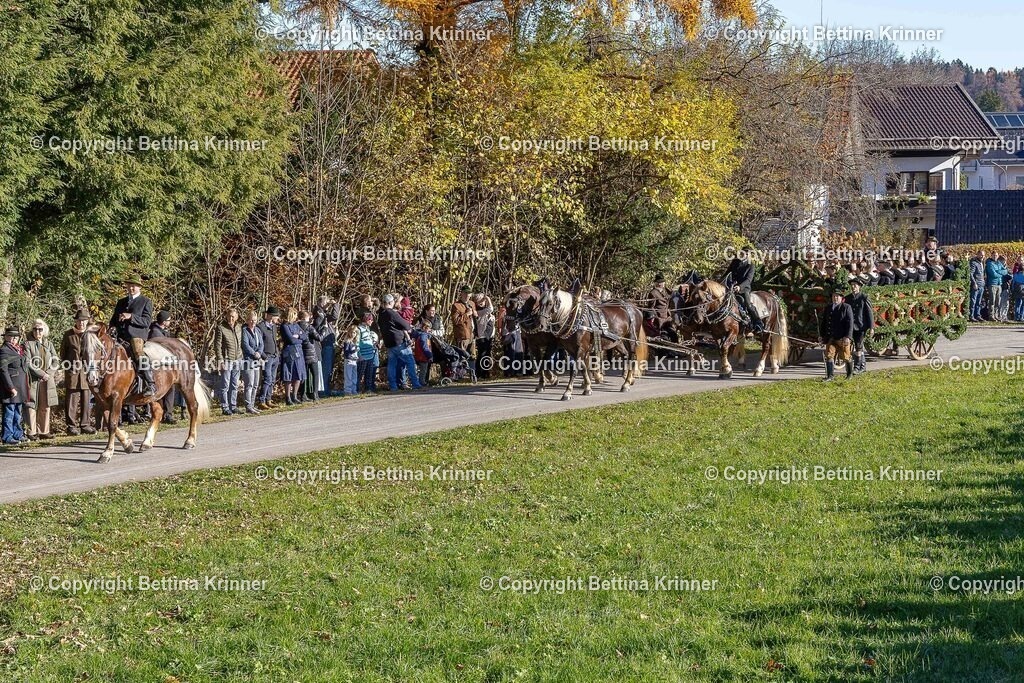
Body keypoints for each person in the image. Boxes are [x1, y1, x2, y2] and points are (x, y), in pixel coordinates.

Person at [109, 276, 155, 396]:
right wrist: (112, 327)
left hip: (136, 335)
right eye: (129, 285)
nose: (131, 288)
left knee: (138, 352)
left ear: (139, 287)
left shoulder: (145, 301)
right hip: (120, 335)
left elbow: (147, 322)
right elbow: (113, 320)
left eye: (133, 285)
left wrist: (131, 317)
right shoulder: (121, 302)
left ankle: (150, 384)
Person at [60, 309, 96, 436]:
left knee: (87, 399)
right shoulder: (68, 334)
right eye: (79, 320)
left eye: (84, 321)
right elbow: (62, 355)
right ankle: (71, 426)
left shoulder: (91, 334)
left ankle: (85, 425)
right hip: (73, 372)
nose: (81, 323)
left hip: (86, 372)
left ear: (87, 322)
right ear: (76, 321)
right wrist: (69, 367)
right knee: (72, 400)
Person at [23, 319, 60, 440]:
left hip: (47, 379)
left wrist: (48, 373)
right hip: (32, 379)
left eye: (40, 329)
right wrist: (41, 374)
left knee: (45, 404)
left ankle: (44, 431)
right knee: (31, 405)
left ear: (44, 330)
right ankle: (31, 432)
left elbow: (56, 360)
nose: (37, 331)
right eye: (35, 329)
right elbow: (28, 362)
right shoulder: (27, 344)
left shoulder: (48, 343)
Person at [378, 294, 422, 392]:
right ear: (390, 303)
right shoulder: (392, 313)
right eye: (393, 301)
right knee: (410, 361)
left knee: (392, 364)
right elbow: (404, 324)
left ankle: (393, 386)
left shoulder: (381, 315)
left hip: (389, 343)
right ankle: (415, 383)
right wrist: (410, 330)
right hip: (399, 342)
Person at [1, 326, 31, 445]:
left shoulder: (18, 349)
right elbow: (3, 370)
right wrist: (10, 387)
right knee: (10, 412)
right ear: (6, 337)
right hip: (11, 386)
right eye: (12, 336)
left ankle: (17, 434)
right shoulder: (4, 350)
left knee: (18, 412)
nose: (14, 338)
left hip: (20, 385)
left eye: (16, 337)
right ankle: (7, 436)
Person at [819, 290, 854, 382]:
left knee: (846, 356)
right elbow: (824, 323)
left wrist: (848, 337)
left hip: (843, 338)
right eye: (834, 296)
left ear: (842, 298)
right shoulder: (829, 308)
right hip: (831, 337)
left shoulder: (846, 307)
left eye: (837, 296)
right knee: (829, 355)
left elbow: (850, 323)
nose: (835, 298)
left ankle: (849, 375)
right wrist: (822, 335)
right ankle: (830, 376)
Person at [148, 310, 177, 424]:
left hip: (162, 364)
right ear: (164, 322)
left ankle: (167, 413)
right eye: (169, 320)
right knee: (168, 389)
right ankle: (166, 414)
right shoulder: (156, 333)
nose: (170, 322)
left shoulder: (160, 331)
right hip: (159, 365)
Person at [213, 309, 244, 415]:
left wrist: (241, 356)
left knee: (234, 384)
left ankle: (233, 405)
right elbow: (217, 346)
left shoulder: (239, 327)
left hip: (238, 359)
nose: (231, 318)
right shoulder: (221, 328)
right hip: (227, 360)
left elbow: (241, 343)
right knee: (225, 385)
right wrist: (220, 360)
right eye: (229, 316)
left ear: (237, 317)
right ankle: (225, 407)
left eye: (233, 316)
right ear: (226, 316)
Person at [723, 253, 763, 332]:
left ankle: (758, 322)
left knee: (748, 304)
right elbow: (727, 273)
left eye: (747, 253)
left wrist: (740, 287)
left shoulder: (751, 265)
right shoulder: (735, 262)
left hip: (744, 288)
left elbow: (748, 280)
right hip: (731, 287)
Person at [313, 295, 340, 397]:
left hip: (329, 343)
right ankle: (323, 391)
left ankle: (326, 390)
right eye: (327, 302)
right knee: (326, 369)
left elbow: (334, 316)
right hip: (325, 344)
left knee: (328, 369)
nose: (328, 304)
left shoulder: (322, 314)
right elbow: (332, 317)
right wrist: (333, 305)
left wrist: (335, 305)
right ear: (322, 303)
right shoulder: (318, 313)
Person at [845, 281, 874, 375]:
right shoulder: (847, 298)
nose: (853, 287)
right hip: (850, 326)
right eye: (852, 285)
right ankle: (863, 366)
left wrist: (871, 327)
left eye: (855, 285)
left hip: (861, 326)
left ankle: (857, 367)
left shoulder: (864, 298)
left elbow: (869, 313)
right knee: (857, 347)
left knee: (858, 346)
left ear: (859, 287)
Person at [279, 307, 307, 405]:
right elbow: (290, 340)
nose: (296, 317)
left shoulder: (296, 325)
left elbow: (304, 336)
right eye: (294, 315)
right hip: (289, 352)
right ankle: (288, 397)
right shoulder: (284, 326)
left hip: (298, 351)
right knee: (289, 375)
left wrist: (298, 336)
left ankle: (294, 396)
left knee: (298, 374)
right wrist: (297, 338)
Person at [241, 310, 265, 414]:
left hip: (256, 360)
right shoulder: (245, 330)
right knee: (249, 384)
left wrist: (259, 353)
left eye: (254, 320)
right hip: (248, 360)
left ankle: (253, 404)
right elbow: (245, 345)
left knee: (255, 384)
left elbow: (261, 344)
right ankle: (248, 405)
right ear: (247, 320)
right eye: (251, 320)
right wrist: (254, 353)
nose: (253, 322)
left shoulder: (258, 331)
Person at [257, 307, 281, 410]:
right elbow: (258, 343)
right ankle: (261, 400)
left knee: (272, 380)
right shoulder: (261, 327)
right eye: (276, 316)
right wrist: (264, 356)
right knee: (267, 379)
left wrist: (277, 353)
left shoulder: (274, 326)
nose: (278, 318)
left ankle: (269, 399)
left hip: (275, 355)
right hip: (267, 356)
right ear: (271, 316)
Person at [298, 310, 322, 402]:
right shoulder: (309, 327)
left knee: (304, 375)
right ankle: (315, 394)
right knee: (315, 374)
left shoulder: (296, 326)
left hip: (302, 353)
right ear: (305, 317)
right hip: (311, 353)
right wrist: (323, 328)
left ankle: (303, 394)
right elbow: (319, 337)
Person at [451, 287, 477, 367]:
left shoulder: (472, 303)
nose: (467, 295)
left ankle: (472, 374)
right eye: (465, 293)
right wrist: (467, 314)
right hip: (462, 334)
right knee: (461, 356)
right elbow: (456, 321)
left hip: (472, 333)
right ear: (461, 293)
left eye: (469, 293)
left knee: (472, 355)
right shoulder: (456, 305)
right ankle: (459, 374)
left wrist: (475, 314)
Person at [356, 313, 379, 393]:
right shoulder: (359, 329)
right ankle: (357, 389)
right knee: (360, 373)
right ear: (366, 320)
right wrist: (359, 355)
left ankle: (368, 389)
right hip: (363, 356)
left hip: (370, 355)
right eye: (370, 320)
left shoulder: (368, 329)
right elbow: (357, 343)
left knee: (369, 373)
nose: (372, 321)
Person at [473, 293, 495, 380]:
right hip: (481, 335)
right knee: (482, 354)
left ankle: (486, 373)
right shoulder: (478, 311)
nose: (481, 302)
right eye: (479, 301)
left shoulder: (486, 311)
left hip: (489, 335)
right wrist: (488, 298)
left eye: (483, 300)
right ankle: (479, 373)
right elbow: (490, 309)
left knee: (487, 354)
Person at [986, 253, 1008, 321]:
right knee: (992, 300)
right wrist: (1000, 274)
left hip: (999, 284)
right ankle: (991, 315)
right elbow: (993, 274)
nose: (995, 256)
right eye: (994, 255)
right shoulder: (989, 263)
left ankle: (996, 315)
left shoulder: (998, 263)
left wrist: (998, 271)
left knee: (997, 301)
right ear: (991, 255)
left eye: (996, 255)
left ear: (998, 256)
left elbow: (1005, 271)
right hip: (992, 284)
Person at [412, 320, 434, 386]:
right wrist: (430, 355)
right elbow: (425, 347)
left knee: (421, 370)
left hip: (419, 355)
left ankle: (420, 381)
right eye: (429, 328)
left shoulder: (418, 334)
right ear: (425, 328)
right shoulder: (424, 336)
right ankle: (422, 382)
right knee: (423, 370)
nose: (430, 330)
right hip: (423, 356)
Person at [341, 324, 359, 396]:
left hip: (354, 361)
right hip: (349, 360)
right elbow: (346, 353)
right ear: (349, 332)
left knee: (354, 376)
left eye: (354, 332)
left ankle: (354, 390)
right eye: (351, 332)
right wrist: (353, 351)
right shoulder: (347, 342)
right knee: (348, 376)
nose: (353, 334)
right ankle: (348, 390)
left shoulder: (355, 342)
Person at [968, 250, 986, 322]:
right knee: (973, 301)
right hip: (976, 285)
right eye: (981, 255)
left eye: (983, 255)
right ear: (977, 254)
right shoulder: (973, 263)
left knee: (979, 301)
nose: (982, 256)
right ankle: (971, 316)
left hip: (982, 284)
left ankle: (978, 315)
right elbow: (971, 274)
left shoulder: (982, 263)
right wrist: (974, 283)